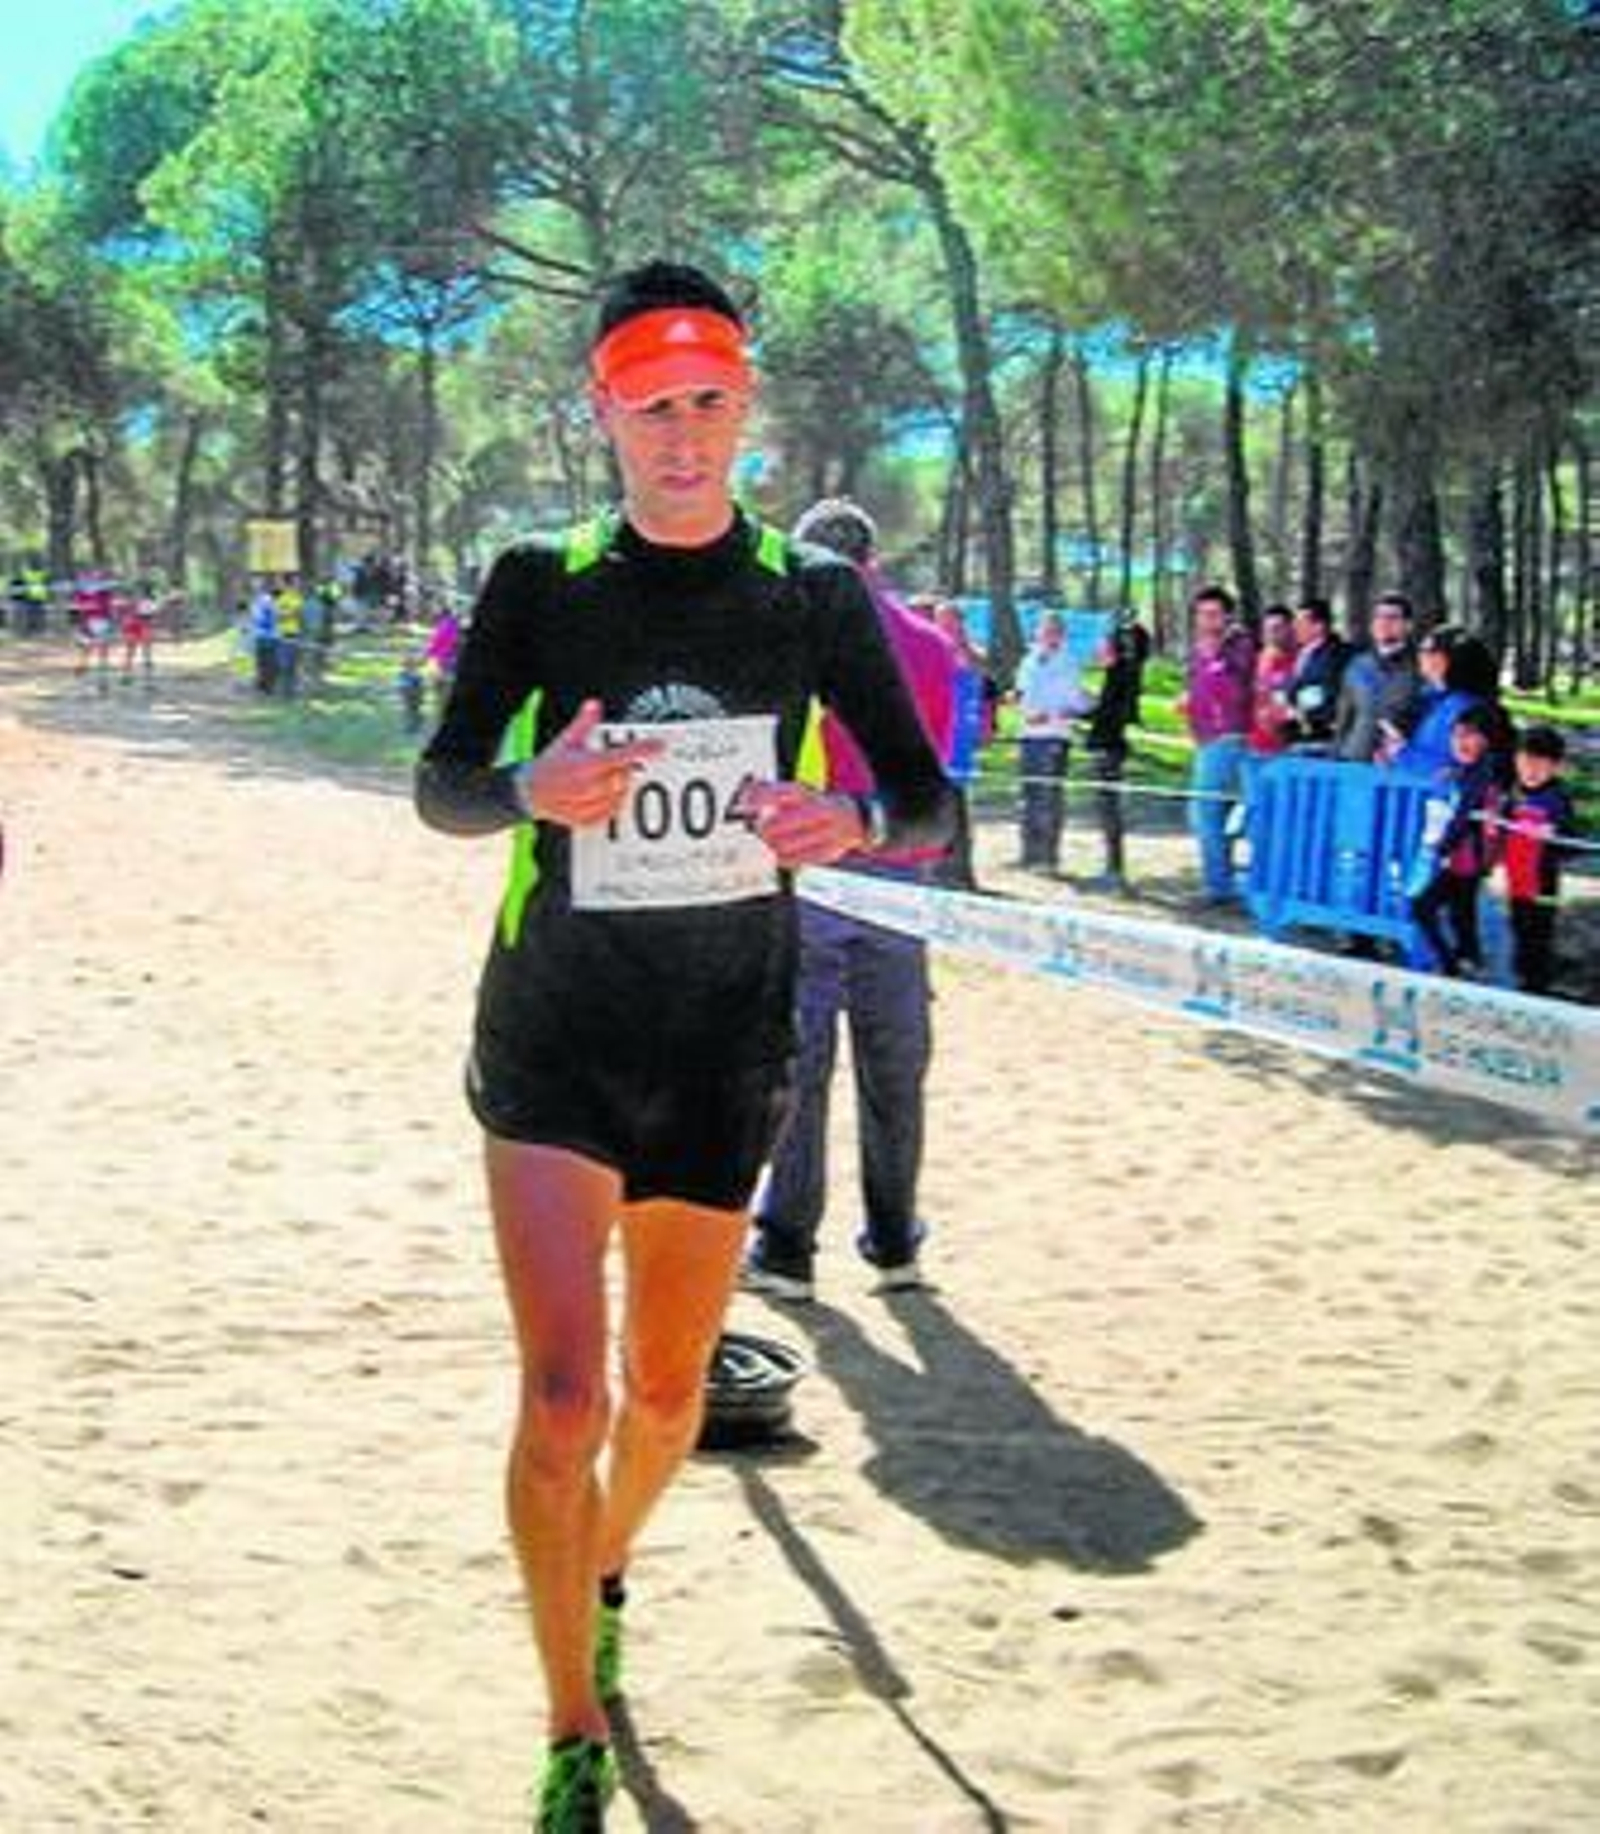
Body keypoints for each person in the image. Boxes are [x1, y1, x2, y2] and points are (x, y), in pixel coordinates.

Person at [415, 260, 954, 1832]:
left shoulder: (811, 594)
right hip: (556, 1038)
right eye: (651, 405)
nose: (682, 433)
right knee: (565, 1398)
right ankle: (574, 1718)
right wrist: (531, 788)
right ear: (603, 411)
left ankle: (608, 1566)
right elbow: (444, 784)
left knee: (663, 1405)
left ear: (747, 408)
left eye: (708, 400)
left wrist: (845, 818)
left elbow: (925, 802)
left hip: (726, 1040)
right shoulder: (540, 579)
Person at [742, 500, 958, 1304]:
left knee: (803, 1061)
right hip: (903, 866)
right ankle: (897, 1240)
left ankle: (788, 1246)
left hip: (814, 866)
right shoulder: (934, 645)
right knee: (896, 1061)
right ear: (875, 558)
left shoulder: (792, 634)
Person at [1407, 704, 1501, 977]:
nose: (1460, 741)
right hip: (1465, 862)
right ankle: (1465, 961)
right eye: (1456, 735)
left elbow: (1463, 816)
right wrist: (1453, 773)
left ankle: (1453, 964)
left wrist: (1442, 847)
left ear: (1486, 739)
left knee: (1423, 906)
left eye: (1469, 735)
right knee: (1462, 914)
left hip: (1465, 861)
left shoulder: (1482, 774)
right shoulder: (1473, 770)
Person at [1179, 584, 1255, 905]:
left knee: (1204, 810)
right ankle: (1223, 881)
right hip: (1205, 737)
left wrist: (1216, 659)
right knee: (1212, 812)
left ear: (1227, 616)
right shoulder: (1198, 648)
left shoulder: (1240, 645)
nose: (1206, 620)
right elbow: (1197, 686)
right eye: (1201, 614)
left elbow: (1239, 691)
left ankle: (1220, 885)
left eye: (1213, 614)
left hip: (1230, 736)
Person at [1494, 725, 1579, 996]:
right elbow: (1503, 817)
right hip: (1516, 876)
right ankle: (1522, 978)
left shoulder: (1557, 798)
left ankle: (1537, 985)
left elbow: (1570, 843)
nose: (1530, 771)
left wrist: (1553, 834)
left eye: (1539, 765)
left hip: (1542, 880)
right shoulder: (1515, 789)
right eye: (1524, 762)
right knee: (1518, 925)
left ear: (1555, 767)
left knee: (1538, 931)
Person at [1014, 609, 1090, 873]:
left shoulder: (1069, 662)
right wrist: (1020, 706)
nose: (1049, 635)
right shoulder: (1028, 660)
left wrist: (1051, 716)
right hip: (1027, 734)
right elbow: (1021, 693)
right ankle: (1028, 854)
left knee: (1049, 796)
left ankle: (1048, 857)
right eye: (1045, 630)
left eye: (1055, 630)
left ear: (1062, 634)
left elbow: (1075, 701)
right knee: (1028, 795)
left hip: (1055, 735)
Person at [1082, 613, 1150, 892]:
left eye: (1107, 643)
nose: (1100, 648)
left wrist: (1095, 717)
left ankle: (1115, 871)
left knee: (1110, 811)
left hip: (1110, 748)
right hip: (1106, 744)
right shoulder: (1118, 673)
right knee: (1106, 810)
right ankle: (1112, 868)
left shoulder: (1123, 672)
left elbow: (1116, 713)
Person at [1333, 592, 1422, 763]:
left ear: (1408, 625)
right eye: (1378, 617)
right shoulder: (1357, 665)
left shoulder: (1421, 667)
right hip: (1353, 761)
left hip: (1397, 768)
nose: (1383, 623)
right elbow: (1344, 720)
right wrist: (1336, 757)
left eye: (1392, 617)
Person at [1285, 597, 1348, 749]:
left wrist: (1293, 704)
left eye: (1301, 623)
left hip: (1322, 738)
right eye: (1295, 622)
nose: (1294, 627)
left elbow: (1327, 695)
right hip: (1298, 735)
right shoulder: (1301, 653)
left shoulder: (1335, 655)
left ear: (1319, 626)